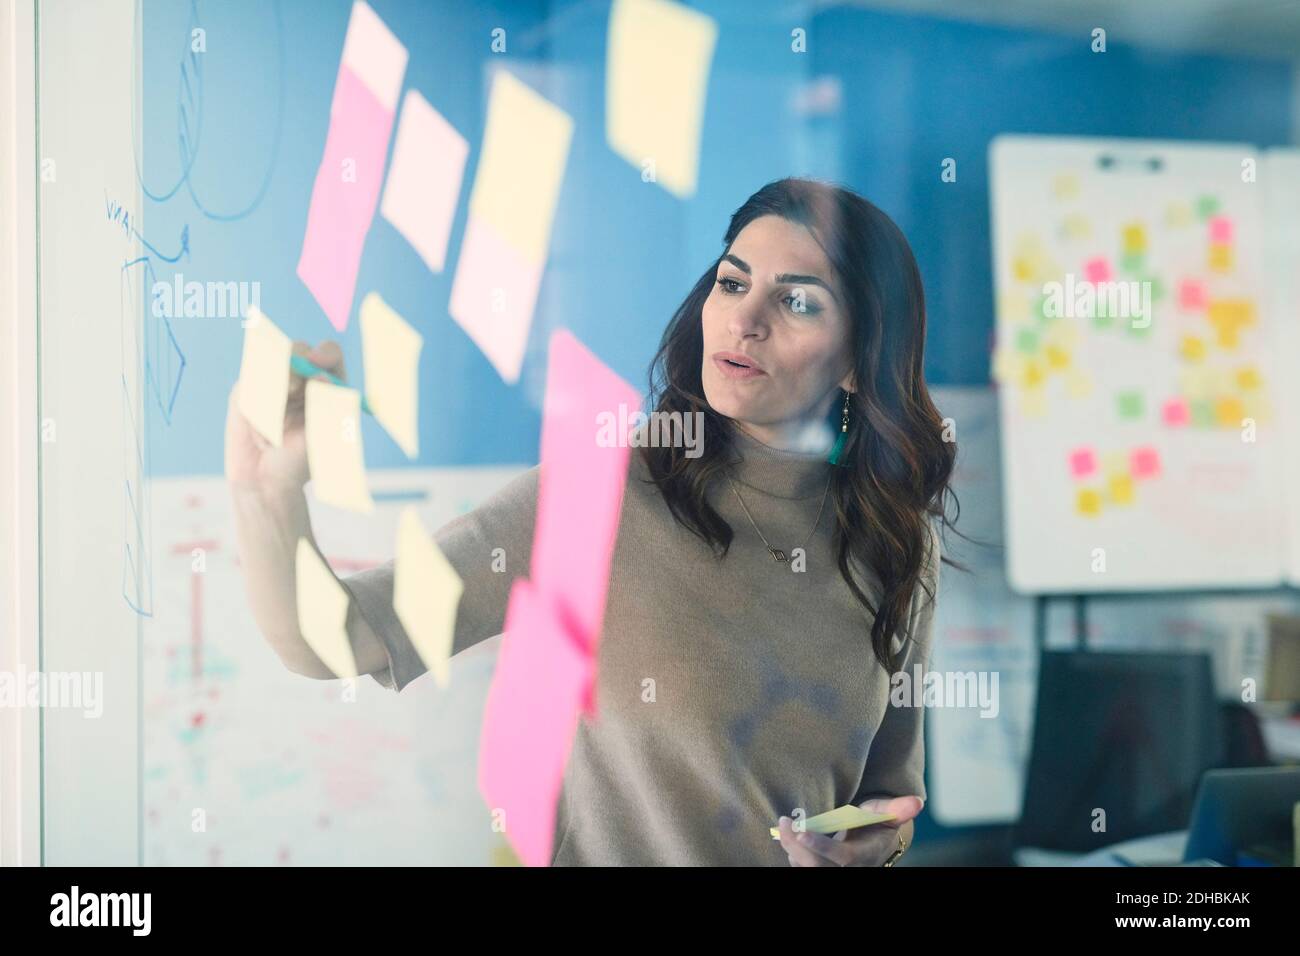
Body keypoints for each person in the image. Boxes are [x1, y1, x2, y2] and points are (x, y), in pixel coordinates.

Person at [225, 177, 959, 866]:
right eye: (732, 283)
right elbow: (340, 640)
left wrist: (873, 847)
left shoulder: (897, 540)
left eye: (797, 302)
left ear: (861, 362)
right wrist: (267, 496)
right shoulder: (598, 495)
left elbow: (887, 800)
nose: (744, 318)